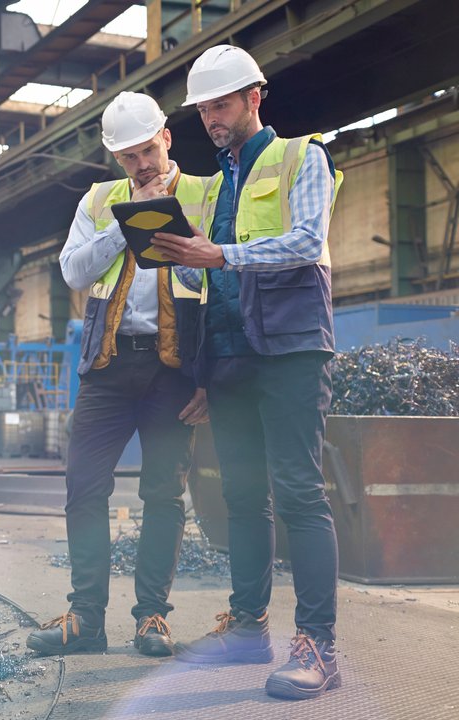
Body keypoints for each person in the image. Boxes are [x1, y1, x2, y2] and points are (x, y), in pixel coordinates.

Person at [150, 45, 344, 700]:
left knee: (298, 493)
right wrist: (168, 253)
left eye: (222, 105)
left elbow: (306, 241)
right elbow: (205, 277)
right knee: (241, 496)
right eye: (203, 109)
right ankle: (246, 628)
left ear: (255, 98)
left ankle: (318, 646)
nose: (212, 119)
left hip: (290, 350)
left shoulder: (301, 159)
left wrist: (219, 252)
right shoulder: (213, 186)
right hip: (231, 359)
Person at [27, 92, 209, 659]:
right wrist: (125, 227)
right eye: (128, 158)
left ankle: (152, 616)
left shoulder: (205, 195)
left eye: (147, 151)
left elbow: (226, 285)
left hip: (174, 370)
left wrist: (213, 378)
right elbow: (74, 270)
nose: (140, 165)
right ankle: (86, 620)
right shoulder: (100, 200)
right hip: (107, 366)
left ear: (167, 139)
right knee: (84, 487)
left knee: (163, 494)